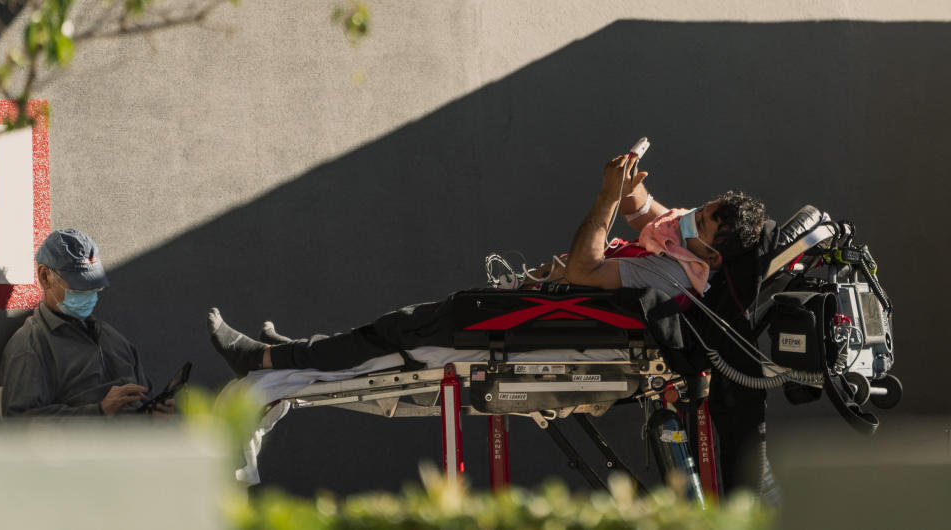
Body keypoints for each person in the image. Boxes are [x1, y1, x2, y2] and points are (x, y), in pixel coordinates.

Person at [209, 152, 768, 377]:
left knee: (396, 330)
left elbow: (583, 270)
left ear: (713, 254)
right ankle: (285, 353)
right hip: (530, 309)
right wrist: (627, 185)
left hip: (525, 323)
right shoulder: (680, 244)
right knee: (395, 326)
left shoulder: (670, 277)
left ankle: (261, 360)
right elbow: (643, 211)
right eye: (702, 208)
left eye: (704, 221)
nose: (690, 217)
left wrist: (603, 198)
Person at [0, 229, 175, 417]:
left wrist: (154, 413)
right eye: (79, 286)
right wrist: (99, 412)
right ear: (44, 276)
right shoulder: (31, 346)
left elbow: (145, 397)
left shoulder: (113, 338)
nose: (89, 294)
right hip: (92, 445)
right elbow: (21, 423)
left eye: (93, 285)